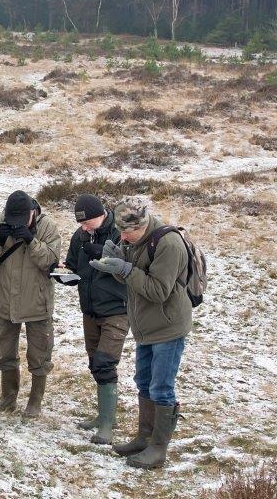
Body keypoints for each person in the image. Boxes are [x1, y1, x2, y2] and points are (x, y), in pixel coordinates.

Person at [89, 197, 192, 469]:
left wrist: (125, 268)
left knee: (161, 387)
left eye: (127, 232)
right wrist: (119, 261)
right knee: (144, 381)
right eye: (120, 231)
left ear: (143, 224)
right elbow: (134, 278)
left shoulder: (168, 244)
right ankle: (144, 437)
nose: (122, 236)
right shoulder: (134, 240)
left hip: (167, 326)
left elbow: (158, 290)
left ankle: (158, 448)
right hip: (145, 325)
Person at [0, 190, 61, 418]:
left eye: (20, 221)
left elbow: (51, 261)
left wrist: (32, 241)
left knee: (39, 355)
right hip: (6, 300)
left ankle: (35, 402)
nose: (15, 224)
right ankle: (8, 398)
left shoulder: (47, 226)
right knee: (5, 352)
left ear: (31, 213)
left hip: (37, 302)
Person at [60, 194, 128, 444]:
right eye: (81, 223)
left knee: (105, 363)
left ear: (101, 215)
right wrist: (64, 273)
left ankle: (108, 426)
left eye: (88, 222)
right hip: (89, 310)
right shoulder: (79, 236)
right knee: (94, 363)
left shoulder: (120, 232)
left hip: (117, 310)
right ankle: (102, 416)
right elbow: (74, 266)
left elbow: (127, 264)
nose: (84, 227)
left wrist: (102, 253)